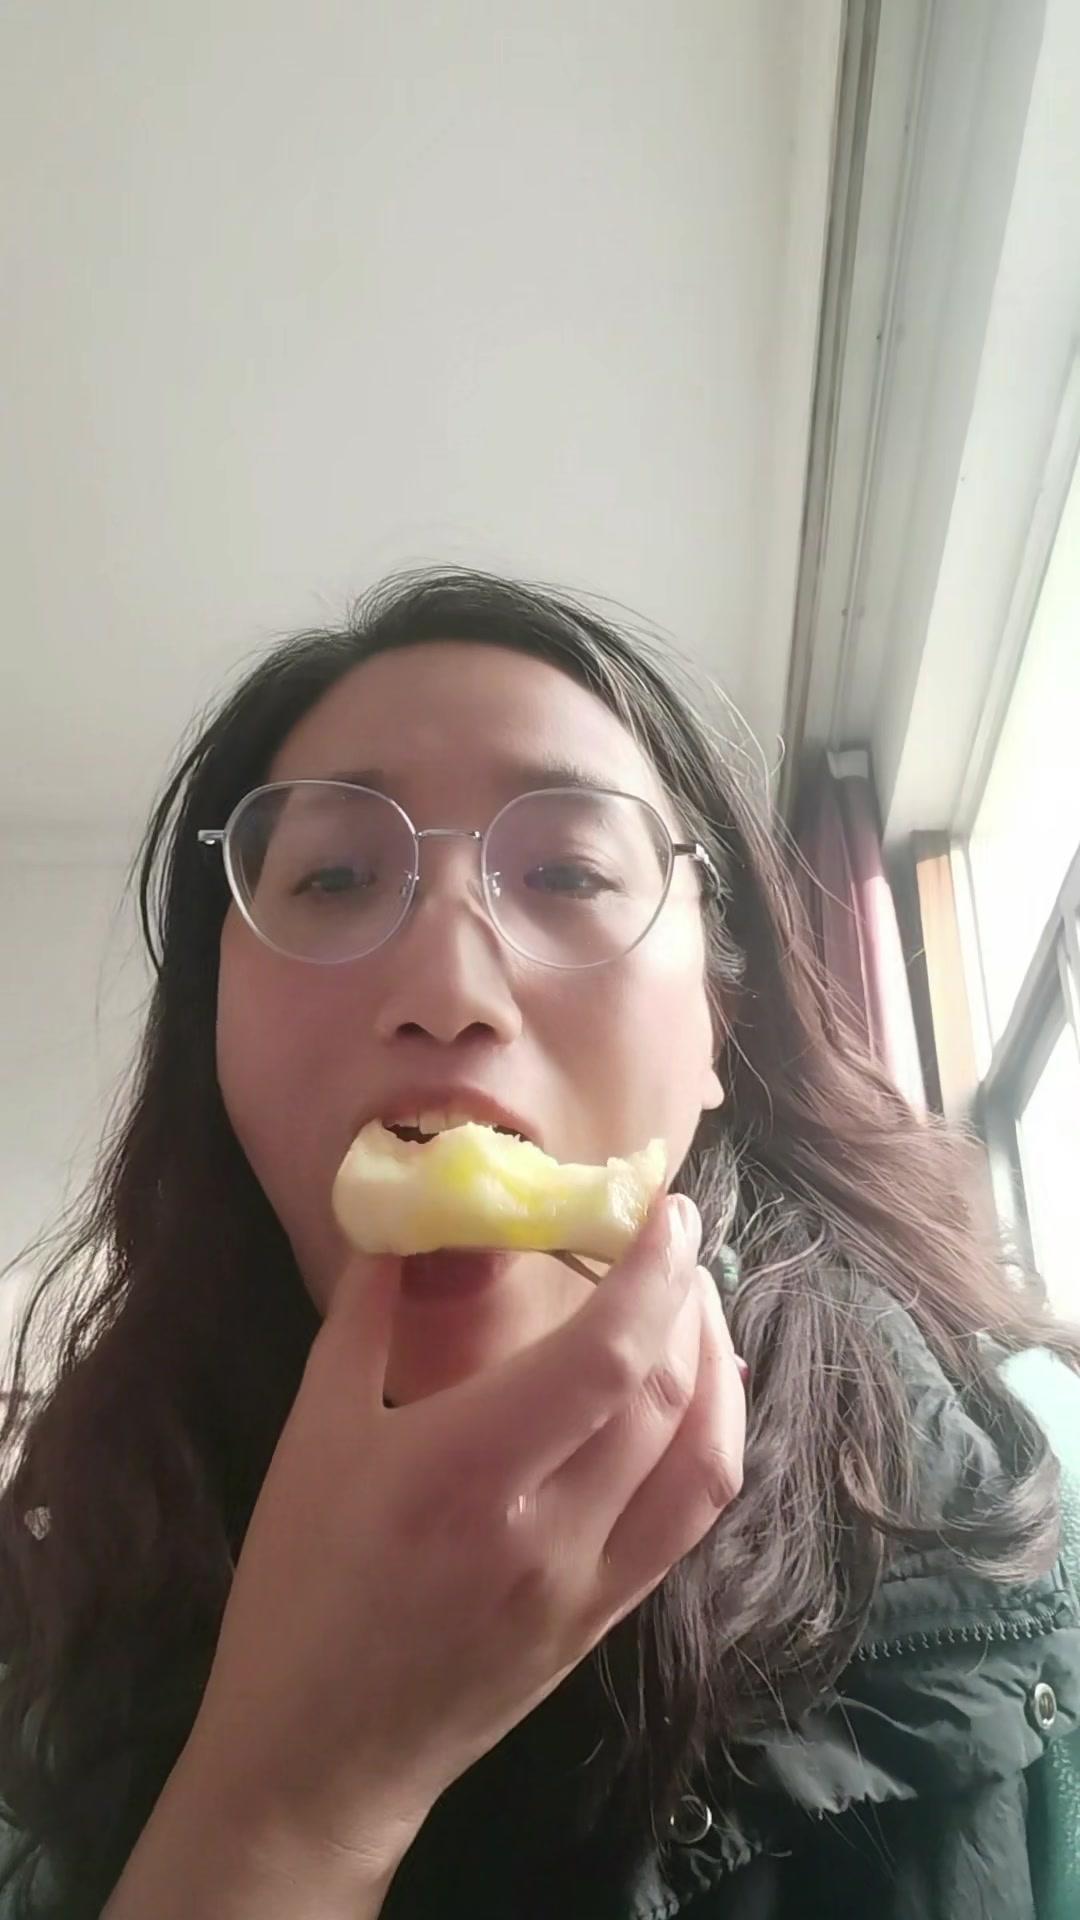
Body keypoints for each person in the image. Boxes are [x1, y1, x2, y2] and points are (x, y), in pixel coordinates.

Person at [1, 569, 1079, 1920]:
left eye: (569, 871)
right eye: (333, 876)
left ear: (719, 1030)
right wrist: (286, 1800)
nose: (449, 987)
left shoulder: (1033, 1489)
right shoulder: (46, 1611)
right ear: (213, 1036)